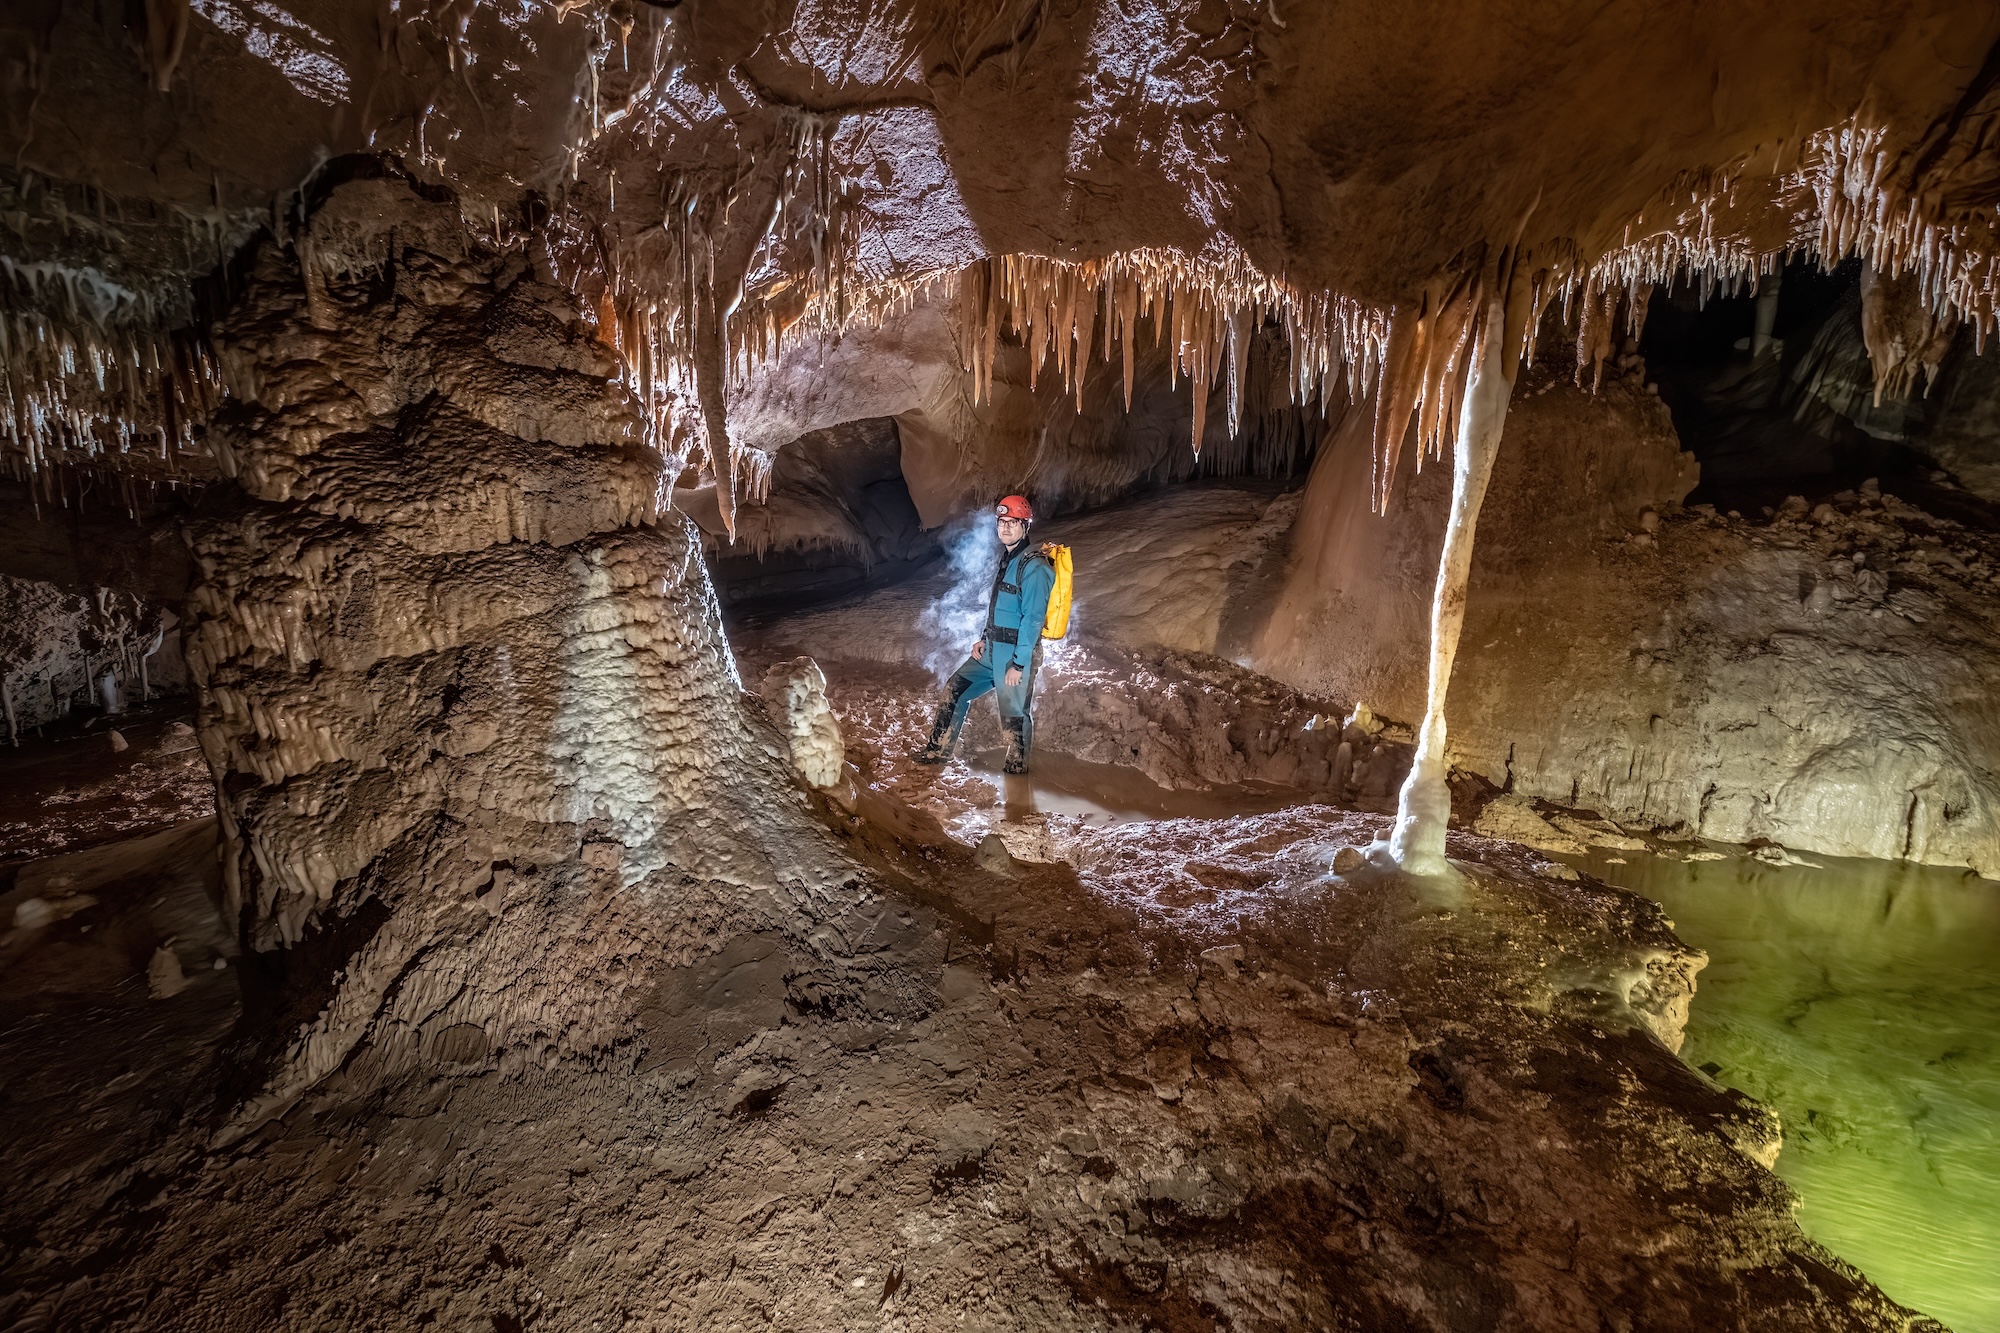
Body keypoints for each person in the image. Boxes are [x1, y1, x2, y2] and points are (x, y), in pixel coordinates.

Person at [915, 494, 1055, 774]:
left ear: (1026, 526)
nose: (1005, 528)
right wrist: (984, 637)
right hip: (991, 651)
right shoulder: (1008, 560)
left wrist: (1018, 664)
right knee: (954, 691)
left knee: (1014, 717)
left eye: (1013, 523)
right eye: (1001, 522)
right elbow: (1000, 607)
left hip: (1015, 654)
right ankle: (937, 752)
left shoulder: (1035, 567)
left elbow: (1032, 620)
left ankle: (1017, 778)